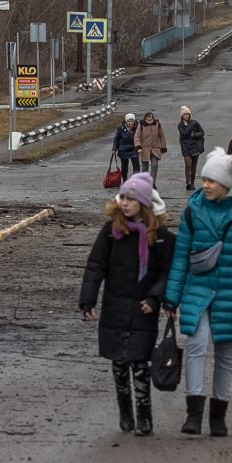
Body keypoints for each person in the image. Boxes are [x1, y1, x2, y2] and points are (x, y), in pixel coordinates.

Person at [163, 149, 232, 438]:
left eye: (211, 181)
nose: (205, 185)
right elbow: (180, 258)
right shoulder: (192, 210)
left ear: (226, 183)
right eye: (203, 179)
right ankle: (193, 413)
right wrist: (171, 297)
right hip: (197, 290)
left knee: (225, 353)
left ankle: (218, 416)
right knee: (197, 344)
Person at [80, 172, 175, 437]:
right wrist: (87, 299)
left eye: (131, 199)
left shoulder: (160, 236)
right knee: (119, 364)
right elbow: (95, 265)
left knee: (140, 363)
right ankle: (125, 410)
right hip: (114, 307)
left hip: (143, 308)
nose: (125, 203)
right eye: (122, 197)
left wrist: (156, 298)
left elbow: (169, 272)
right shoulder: (112, 232)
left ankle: (144, 415)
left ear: (143, 203)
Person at [134, 110, 169, 186]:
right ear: (145, 117)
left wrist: (163, 147)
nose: (149, 118)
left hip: (155, 148)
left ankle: (153, 183)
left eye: (150, 116)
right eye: (147, 116)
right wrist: (138, 146)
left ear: (152, 117)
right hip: (145, 149)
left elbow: (161, 136)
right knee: (144, 167)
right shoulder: (141, 124)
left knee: (154, 165)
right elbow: (137, 136)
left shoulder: (157, 124)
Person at [176, 106, 206, 189]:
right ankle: (188, 182)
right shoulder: (180, 125)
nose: (186, 116)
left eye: (188, 114)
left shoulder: (195, 122)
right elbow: (185, 133)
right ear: (182, 116)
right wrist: (191, 124)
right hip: (186, 148)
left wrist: (194, 135)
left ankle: (192, 183)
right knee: (188, 164)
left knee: (194, 166)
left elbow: (202, 133)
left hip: (195, 147)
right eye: (184, 114)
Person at [112, 112, 139, 178]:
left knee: (136, 167)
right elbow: (116, 139)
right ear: (126, 121)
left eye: (132, 121)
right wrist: (114, 149)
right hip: (123, 150)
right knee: (124, 167)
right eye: (129, 121)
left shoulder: (137, 128)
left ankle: (135, 181)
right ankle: (125, 181)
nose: (130, 123)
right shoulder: (120, 129)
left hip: (134, 149)